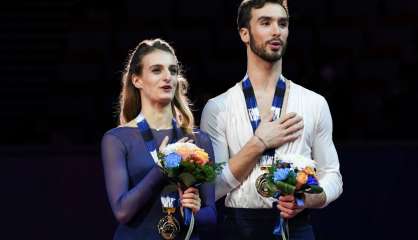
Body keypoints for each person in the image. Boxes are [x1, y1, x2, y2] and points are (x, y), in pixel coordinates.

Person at [200, 0, 343, 239]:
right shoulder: (218, 108)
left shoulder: (314, 103)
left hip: (295, 225)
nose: (277, 30)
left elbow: (333, 176)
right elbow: (211, 189)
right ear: (244, 33)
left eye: (283, 23)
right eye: (265, 23)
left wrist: (306, 199)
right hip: (238, 227)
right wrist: (259, 143)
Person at [101, 39, 216, 239]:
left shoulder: (198, 140)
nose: (167, 77)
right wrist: (162, 166)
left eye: (172, 70)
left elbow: (211, 215)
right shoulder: (117, 139)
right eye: (156, 70)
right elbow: (122, 212)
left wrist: (196, 211)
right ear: (137, 80)